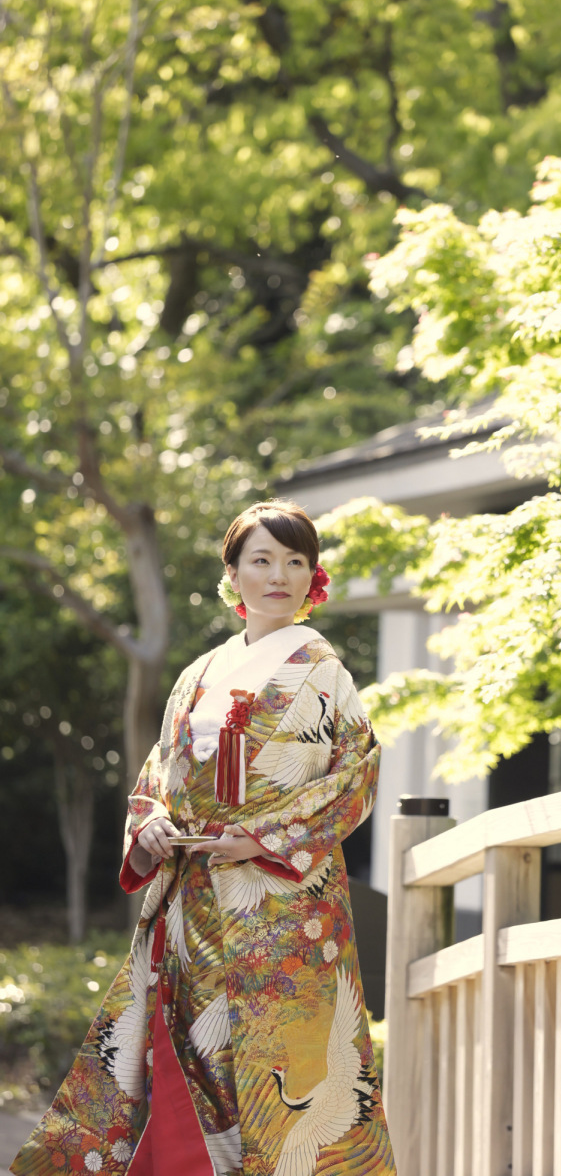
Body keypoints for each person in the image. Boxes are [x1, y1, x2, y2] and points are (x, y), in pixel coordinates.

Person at [11, 499, 397, 1176]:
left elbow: (355, 778)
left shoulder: (324, 670)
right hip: (193, 900)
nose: (278, 575)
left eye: (295, 562)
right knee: (193, 1053)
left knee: (282, 1070)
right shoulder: (199, 674)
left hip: (281, 902)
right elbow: (159, 773)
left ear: (313, 576)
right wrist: (152, 822)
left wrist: (262, 838)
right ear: (233, 573)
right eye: (262, 560)